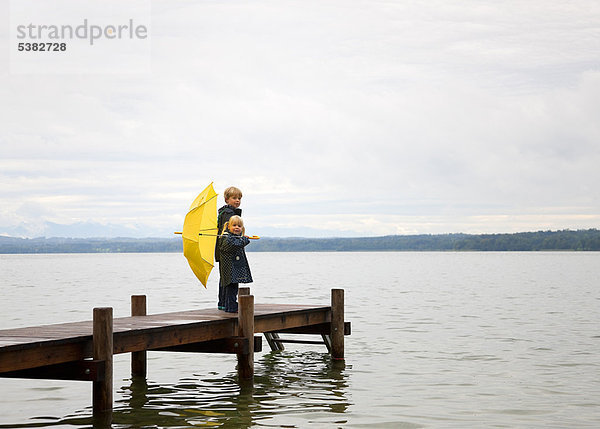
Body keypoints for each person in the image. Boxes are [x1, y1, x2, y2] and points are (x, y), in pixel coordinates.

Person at [215, 186, 243, 310]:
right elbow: (229, 231)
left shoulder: (223, 212)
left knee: (224, 276)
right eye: (234, 198)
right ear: (227, 199)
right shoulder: (229, 213)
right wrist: (238, 237)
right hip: (228, 250)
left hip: (221, 250)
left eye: (239, 198)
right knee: (230, 278)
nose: (237, 200)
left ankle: (222, 303)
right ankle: (230, 304)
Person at [218, 215, 253, 313]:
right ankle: (231, 307)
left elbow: (237, 242)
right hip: (229, 268)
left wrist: (242, 238)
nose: (237, 227)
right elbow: (234, 245)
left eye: (239, 226)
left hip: (234, 268)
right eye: (234, 225)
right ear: (229, 227)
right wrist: (244, 240)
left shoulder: (234, 237)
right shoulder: (226, 237)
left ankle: (230, 305)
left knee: (233, 288)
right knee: (231, 288)